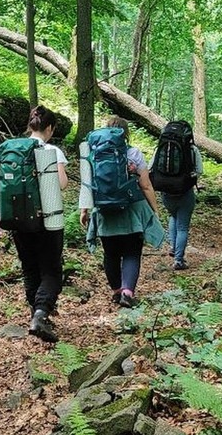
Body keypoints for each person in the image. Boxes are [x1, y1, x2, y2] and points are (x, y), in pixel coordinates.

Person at [80, 117, 161, 309]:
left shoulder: (93, 152)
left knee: (111, 253)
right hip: (132, 209)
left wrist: (85, 209)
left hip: (104, 210)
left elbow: (87, 184)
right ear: (126, 133)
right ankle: (127, 292)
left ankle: (116, 291)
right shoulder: (133, 153)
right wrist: (154, 210)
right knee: (132, 252)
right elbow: (146, 185)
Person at [5, 106, 69, 343]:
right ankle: (41, 313)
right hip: (48, 218)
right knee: (51, 269)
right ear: (50, 128)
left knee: (30, 267)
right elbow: (61, 183)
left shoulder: (14, 148)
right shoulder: (51, 150)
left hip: (19, 219)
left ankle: (35, 313)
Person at [151, 122, 203, 270]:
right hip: (184, 192)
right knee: (182, 227)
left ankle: (173, 248)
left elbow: (151, 167)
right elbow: (199, 170)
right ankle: (178, 260)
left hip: (166, 192)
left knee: (173, 216)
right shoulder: (192, 149)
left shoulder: (160, 148)